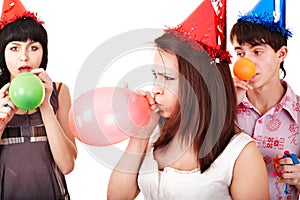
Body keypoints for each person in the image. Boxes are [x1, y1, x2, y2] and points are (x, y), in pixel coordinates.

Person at [107, 0, 270, 199]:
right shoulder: (154, 134)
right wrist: (139, 137)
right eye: (155, 76)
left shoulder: (240, 152)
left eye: (167, 78)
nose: (157, 89)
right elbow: (117, 197)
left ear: (199, 85)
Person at [0, 0, 77, 199]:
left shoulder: (59, 91)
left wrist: (46, 107)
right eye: (14, 48)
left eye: (33, 48)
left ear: (43, 53)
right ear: (2, 53)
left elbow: (67, 165)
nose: (24, 57)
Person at [229, 0, 300, 199]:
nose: (247, 62)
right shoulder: (224, 107)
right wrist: (225, 108)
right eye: (240, 53)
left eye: (257, 52)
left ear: (282, 54)